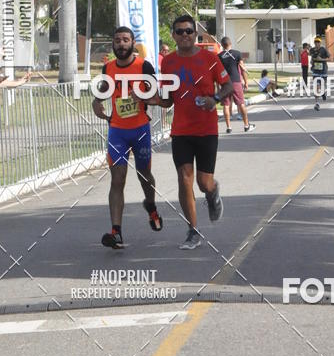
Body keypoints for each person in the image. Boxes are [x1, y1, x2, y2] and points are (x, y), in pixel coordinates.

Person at [154, 14, 233, 250]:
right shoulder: (167, 62)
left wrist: (215, 99)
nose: (185, 35)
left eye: (189, 31)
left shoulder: (209, 58)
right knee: (184, 179)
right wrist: (150, 99)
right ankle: (193, 230)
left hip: (207, 129)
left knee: (203, 182)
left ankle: (213, 192)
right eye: (180, 32)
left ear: (195, 34)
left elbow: (228, 85)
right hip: (181, 131)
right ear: (173, 35)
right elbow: (167, 101)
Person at [92, 26, 163, 249]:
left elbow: (158, 95)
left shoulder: (144, 66)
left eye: (125, 40)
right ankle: (116, 232)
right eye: (117, 40)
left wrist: (141, 95)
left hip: (140, 130)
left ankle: (150, 206)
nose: (121, 44)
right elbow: (103, 88)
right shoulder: (108, 67)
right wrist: (96, 101)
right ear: (113, 44)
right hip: (117, 131)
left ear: (132, 43)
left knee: (144, 175)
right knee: (117, 179)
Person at [218, 37, 255, 134]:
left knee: (226, 105)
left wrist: (218, 85)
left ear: (222, 45)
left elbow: (218, 72)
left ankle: (228, 127)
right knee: (241, 103)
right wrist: (246, 82)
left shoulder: (219, 56)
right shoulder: (237, 53)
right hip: (236, 82)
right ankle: (246, 125)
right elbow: (242, 68)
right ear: (230, 43)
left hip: (225, 83)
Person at [309, 36, 329, 110]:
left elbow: (330, 58)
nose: (317, 43)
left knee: (322, 87)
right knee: (316, 87)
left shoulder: (324, 50)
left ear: (320, 43)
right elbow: (311, 57)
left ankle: (323, 93)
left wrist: (321, 59)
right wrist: (312, 61)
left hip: (323, 71)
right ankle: (317, 103)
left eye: (318, 42)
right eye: (315, 42)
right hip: (315, 71)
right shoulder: (312, 50)